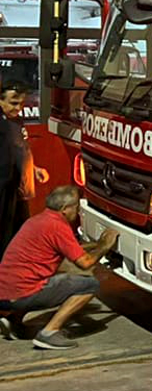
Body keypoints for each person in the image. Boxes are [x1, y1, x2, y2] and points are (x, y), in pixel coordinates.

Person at [0, 185, 119, 350]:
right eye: (76, 207)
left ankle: (13, 322)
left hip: (4, 295)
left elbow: (70, 248)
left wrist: (98, 243)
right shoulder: (58, 227)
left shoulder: (38, 220)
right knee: (90, 285)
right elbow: (85, 263)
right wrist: (105, 245)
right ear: (64, 209)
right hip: (21, 295)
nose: (77, 211)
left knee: (38, 276)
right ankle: (49, 332)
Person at [0, 82, 48, 257]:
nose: (18, 108)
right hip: (6, 188)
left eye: (22, 103)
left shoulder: (17, 121)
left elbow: (20, 149)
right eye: (13, 103)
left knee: (20, 230)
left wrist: (34, 168)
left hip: (20, 187)